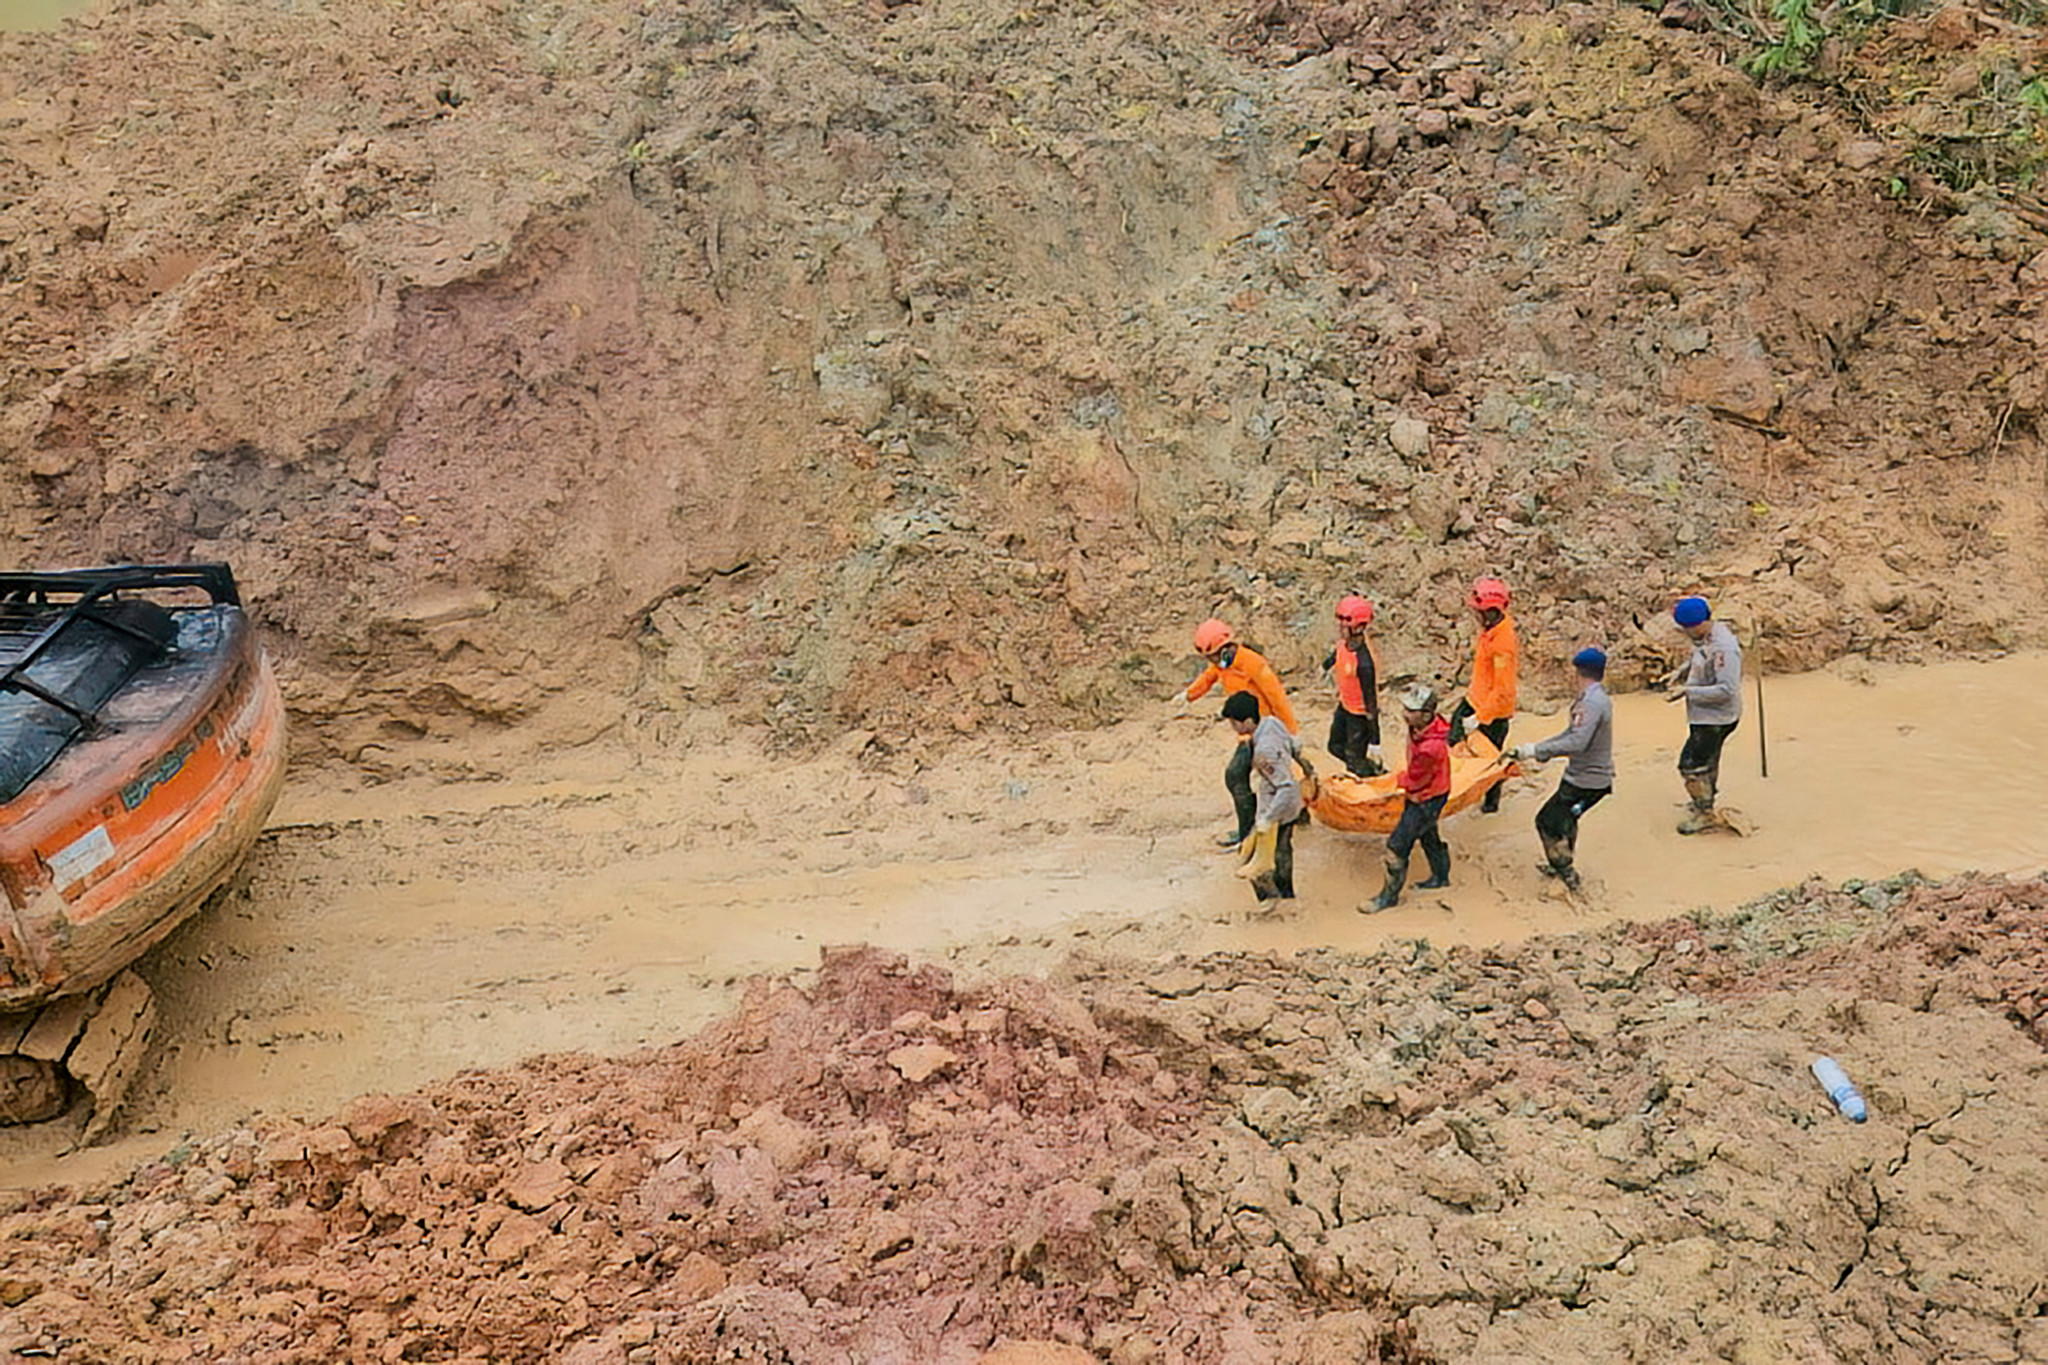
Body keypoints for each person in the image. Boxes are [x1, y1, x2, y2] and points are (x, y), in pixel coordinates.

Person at [1170, 618, 1299, 849]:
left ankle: (1251, 832)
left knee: (1239, 776)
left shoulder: (1253, 664)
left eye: (1212, 657)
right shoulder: (1223, 664)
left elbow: (1277, 697)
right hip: (1247, 732)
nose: (1212, 662)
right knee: (1267, 777)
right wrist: (1189, 695)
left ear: (1224, 648)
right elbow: (1209, 676)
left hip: (1265, 731)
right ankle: (1283, 819)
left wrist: (1292, 732)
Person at [1512, 646, 1614, 892]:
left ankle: (1564, 869)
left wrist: (1535, 750)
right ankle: (1563, 862)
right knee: (1566, 819)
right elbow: (1569, 734)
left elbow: (1577, 742)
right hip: (1587, 778)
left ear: (1577, 672)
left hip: (1585, 781)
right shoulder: (1597, 698)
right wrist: (1540, 750)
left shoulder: (1589, 704)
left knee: (1547, 822)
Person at [1364, 684, 1452, 912]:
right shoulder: (1421, 729)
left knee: (1397, 845)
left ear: (1426, 715)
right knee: (1428, 833)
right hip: (1435, 790)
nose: (1405, 714)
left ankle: (1388, 897)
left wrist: (1396, 781)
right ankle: (1441, 877)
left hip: (1426, 797)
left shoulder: (1430, 748)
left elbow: (1417, 779)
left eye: (1411, 711)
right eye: (1405, 708)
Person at [1221, 690, 1312, 902]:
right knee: (1283, 849)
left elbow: (1285, 786)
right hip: (1287, 801)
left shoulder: (1265, 751)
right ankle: (1286, 896)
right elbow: (1294, 745)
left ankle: (1272, 900)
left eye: (1234, 723)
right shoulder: (1272, 722)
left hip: (1278, 804)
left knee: (1265, 857)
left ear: (1247, 721)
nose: (1233, 727)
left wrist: (1268, 818)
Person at [1665, 595, 1743, 834]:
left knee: (1691, 765)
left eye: (1688, 628)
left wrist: (1686, 691)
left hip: (1716, 718)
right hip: (1703, 715)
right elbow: (1699, 656)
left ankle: (1705, 812)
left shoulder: (1724, 648)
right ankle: (1705, 797)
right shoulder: (1706, 637)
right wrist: (1680, 672)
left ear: (1699, 623)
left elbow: (1727, 690)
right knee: (1708, 760)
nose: (1686, 633)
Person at [1446, 576, 1518, 813]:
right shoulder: (1490, 631)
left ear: (1490, 611)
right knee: (1453, 739)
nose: (1475, 616)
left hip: (1493, 712)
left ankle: (1490, 805)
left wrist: (1480, 718)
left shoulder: (1502, 644)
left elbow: (1503, 689)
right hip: (1475, 700)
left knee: (1490, 761)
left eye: (1478, 611)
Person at [1324, 595, 1382, 777]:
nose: (1341, 627)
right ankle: (1368, 769)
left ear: (1359, 627)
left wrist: (1375, 740)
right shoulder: (1343, 645)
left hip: (1359, 717)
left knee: (1354, 758)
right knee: (1334, 746)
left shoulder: (1364, 662)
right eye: (1340, 621)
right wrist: (1326, 665)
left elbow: (1371, 701)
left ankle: (1369, 779)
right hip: (1344, 707)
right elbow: (1337, 656)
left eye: (1346, 623)